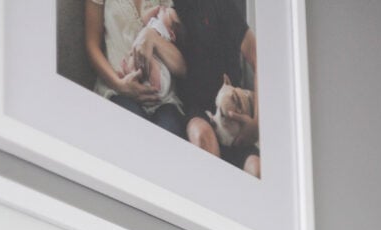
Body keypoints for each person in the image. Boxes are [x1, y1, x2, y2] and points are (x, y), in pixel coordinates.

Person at [172, 0, 260, 175]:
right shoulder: (169, 8)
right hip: (195, 111)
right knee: (202, 136)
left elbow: (258, 57)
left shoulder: (220, 5)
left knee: (256, 168)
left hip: (233, 108)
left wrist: (257, 124)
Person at [85, 0, 186, 136]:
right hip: (116, 90)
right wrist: (120, 85)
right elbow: (92, 46)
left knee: (169, 136)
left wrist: (152, 37)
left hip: (163, 98)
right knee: (134, 135)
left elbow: (182, 68)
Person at [119, 6, 186, 111]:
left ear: (172, 34)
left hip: (158, 68)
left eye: (167, 12)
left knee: (150, 61)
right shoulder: (155, 21)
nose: (164, 9)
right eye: (165, 9)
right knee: (134, 55)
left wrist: (153, 38)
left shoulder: (166, 34)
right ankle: (130, 72)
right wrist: (156, 10)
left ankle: (154, 85)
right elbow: (143, 19)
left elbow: (182, 67)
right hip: (141, 56)